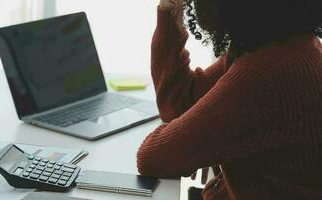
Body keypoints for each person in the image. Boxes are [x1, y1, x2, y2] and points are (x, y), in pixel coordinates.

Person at [136, 0, 322, 199]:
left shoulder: (264, 76)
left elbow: (154, 158)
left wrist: (194, 139)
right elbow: (179, 103)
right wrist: (170, 11)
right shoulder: (289, 45)